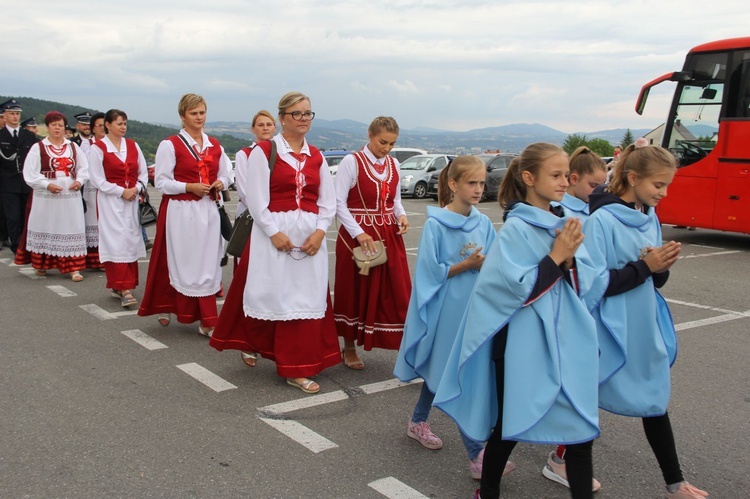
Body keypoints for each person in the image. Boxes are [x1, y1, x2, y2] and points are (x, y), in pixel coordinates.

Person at [434, 143, 604, 499]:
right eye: (555, 175)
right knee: (510, 426)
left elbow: (586, 283)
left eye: (565, 175)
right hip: (520, 347)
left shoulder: (563, 223)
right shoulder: (516, 229)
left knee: (581, 433)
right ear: (529, 178)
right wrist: (557, 257)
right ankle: (489, 491)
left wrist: (570, 261)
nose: (563, 182)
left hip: (565, 340)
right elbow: (514, 292)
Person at [582, 145, 708, 499]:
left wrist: (661, 268)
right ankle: (566, 465)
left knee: (655, 394)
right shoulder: (602, 221)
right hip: (608, 324)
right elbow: (594, 285)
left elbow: (652, 279)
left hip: (642, 321)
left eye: (668, 185)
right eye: (658, 184)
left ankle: (675, 482)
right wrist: (646, 267)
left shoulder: (649, 215)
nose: (663, 193)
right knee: (587, 397)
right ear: (633, 178)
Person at [393, 156, 517, 480]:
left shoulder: (483, 223)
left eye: (481, 183)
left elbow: (493, 264)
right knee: (454, 372)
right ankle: (477, 455)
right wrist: (467, 265)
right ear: (453, 185)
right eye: (471, 183)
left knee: (450, 371)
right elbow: (429, 273)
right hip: (448, 309)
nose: (479, 189)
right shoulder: (436, 224)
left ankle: (418, 420)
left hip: (475, 309)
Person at [209, 91, 340, 394]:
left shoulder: (317, 156)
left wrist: (320, 232)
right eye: (297, 113)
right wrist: (273, 232)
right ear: (283, 118)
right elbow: (255, 199)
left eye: (308, 113)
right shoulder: (265, 151)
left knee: (305, 299)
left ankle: (298, 366)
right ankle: (267, 350)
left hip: (309, 236)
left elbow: (327, 202)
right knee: (274, 295)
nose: (304, 118)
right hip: (274, 233)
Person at [138, 93, 232, 337]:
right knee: (178, 261)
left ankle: (208, 319)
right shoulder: (170, 145)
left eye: (202, 112)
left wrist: (220, 182)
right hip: (181, 210)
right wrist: (188, 187)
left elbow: (226, 174)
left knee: (207, 262)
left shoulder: (214, 145)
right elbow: (160, 181)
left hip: (208, 210)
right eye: (194, 113)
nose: (199, 117)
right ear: (182, 116)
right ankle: (168, 305)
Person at [333, 116, 411, 369]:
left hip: (388, 234)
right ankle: (348, 347)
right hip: (358, 235)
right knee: (354, 289)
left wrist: (402, 215)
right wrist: (358, 232)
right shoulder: (351, 162)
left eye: (391, 144)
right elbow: (339, 203)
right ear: (370, 135)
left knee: (395, 291)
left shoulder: (394, 164)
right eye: (383, 142)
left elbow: (395, 199)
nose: (386, 148)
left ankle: (401, 344)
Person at [88, 109, 148, 307]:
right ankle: (123, 288)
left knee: (129, 239)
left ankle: (123, 284)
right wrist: (120, 191)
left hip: (131, 200)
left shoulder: (132, 146)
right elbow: (97, 179)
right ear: (108, 125)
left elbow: (143, 173)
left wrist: (136, 188)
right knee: (116, 240)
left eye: (124, 123)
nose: (123, 127)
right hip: (110, 202)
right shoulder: (98, 148)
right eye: (119, 123)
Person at [19, 111, 88, 280]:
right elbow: (30, 173)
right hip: (47, 196)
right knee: (47, 225)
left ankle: (74, 268)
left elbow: (84, 168)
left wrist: (79, 181)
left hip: (69, 195)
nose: (57, 128)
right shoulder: (39, 148)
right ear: (48, 127)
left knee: (71, 226)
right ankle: (42, 264)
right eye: (54, 125)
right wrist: (46, 184)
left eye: (60, 125)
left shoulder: (72, 147)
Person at [0, 99, 37, 254]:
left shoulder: (28, 135)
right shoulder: (1, 135)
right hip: (7, 183)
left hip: (26, 183)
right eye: (12, 114)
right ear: (4, 116)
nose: (15, 117)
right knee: (13, 217)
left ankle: (27, 246)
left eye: (17, 114)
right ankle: (17, 248)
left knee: (26, 215)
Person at [79, 111, 106, 270]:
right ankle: (91, 259)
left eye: (105, 125)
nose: (103, 128)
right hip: (89, 189)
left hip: (108, 189)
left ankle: (105, 258)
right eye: (99, 125)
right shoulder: (85, 145)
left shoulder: (113, 145)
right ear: (93, 128)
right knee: (90, 221)